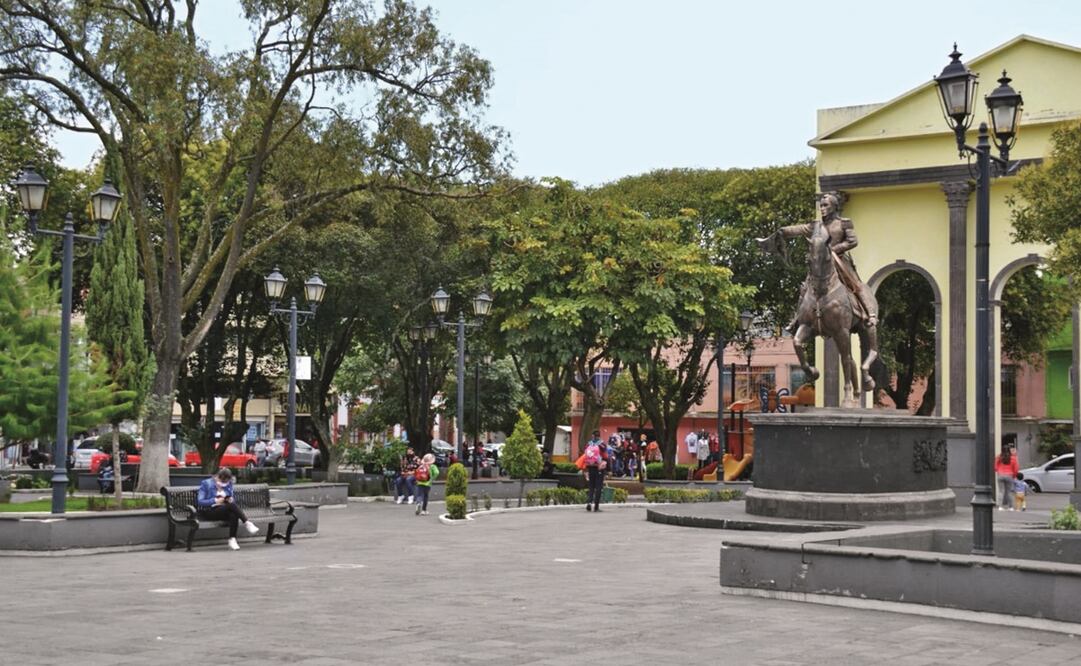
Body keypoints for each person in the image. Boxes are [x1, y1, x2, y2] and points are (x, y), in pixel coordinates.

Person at [768, 192, 876, 332]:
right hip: (820, 264)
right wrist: (783, 231)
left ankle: (869, 313)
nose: (822, 208)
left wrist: (832, 250)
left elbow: (852, 241)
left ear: (834, 207)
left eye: (825, 205)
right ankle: (796, 318)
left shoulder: (844, 223)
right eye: (821, 206)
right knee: (805, 288)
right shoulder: (816, 226)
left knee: (856, 285)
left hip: (840, 261)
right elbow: (799, 229)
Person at [197, 468, 258, 551]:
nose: (224, 484)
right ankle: (247, 522)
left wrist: (230, 499)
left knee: (233, 514)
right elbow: (200, 501)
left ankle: (232, 539)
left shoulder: (228, 484)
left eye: (226, 482)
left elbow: (232, 499)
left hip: (224, 509)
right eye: (222, 482)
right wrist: (215, 500)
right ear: (217, 477)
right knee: (231, 507)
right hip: (210, 511)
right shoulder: (206, 483)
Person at [578, 434, 609, 512]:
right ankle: (596, 506)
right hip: (599, 467)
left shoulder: (588, 444)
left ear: (592, 436)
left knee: (591, 486)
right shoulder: (602, 444)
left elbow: (585, 454)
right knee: (598, 487)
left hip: (590, 467)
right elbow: (605, 456)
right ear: (599, 436)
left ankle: (589, 502)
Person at [994, 443, 1020, 511]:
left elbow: (995, 467)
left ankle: (1000, 507)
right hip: (1009, 475)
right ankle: (1010, 507)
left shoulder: (999, 457)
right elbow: (1016, 469)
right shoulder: (1013, 458)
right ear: (1009, 450)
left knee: (1001, 491)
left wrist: (999, 471)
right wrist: (1013, 476)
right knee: (1009, 492)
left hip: (1000, 475)